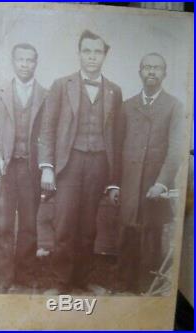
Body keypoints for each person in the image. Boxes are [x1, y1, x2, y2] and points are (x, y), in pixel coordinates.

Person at [38, 30, 122, 293]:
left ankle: (82, 281)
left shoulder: (114, 91)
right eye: (87, 51)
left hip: (98, 165)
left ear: (105, 55)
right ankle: (61, 283)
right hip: (68, 165)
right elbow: (47, 128)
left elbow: (117, 138)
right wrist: (48, 167)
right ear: (79, 53)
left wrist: (113, 181)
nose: (92, 57)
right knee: (64, 225)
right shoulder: (62, 85)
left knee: (88, 228)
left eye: (97, 52)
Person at [0, 43, 47, 292]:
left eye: (30, 60)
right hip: (5, 170)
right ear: (13, 61)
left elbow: (48, 135)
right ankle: (3, 278)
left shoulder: (45, 95)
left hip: (31, 171)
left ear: (36, 63)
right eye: (21, 59)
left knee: (30, 225)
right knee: (3, 225)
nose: (25, 64)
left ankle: (25, 276)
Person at [118, 53, 185, 294]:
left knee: (151, 235)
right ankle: (124, 285)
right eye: (147, 67)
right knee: (127, 230)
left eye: (157, 68)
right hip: (129, 183)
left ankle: (148, 289)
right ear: (140, 72)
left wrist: (162, 183)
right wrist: (116, 184)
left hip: (154, 183)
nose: (151, 72)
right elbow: (118, 145)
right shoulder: (127, 106)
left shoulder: (175, 106)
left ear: (164, 74)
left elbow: (177, 149)